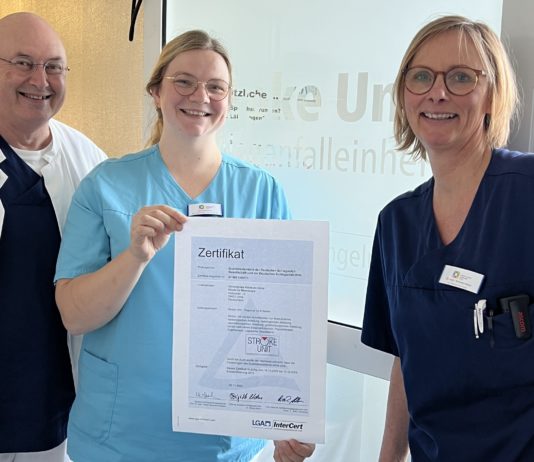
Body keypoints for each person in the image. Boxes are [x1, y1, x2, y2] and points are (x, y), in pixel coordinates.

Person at [54, 30, 315, 462]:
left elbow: (280, 321)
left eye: (216, 86)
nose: (201, 96)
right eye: (184, 82)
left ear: (229, 100)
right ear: (156, 92)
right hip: (121, 436)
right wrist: (135, 257)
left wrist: (284, 422)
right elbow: (74, 316)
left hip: (223, 440)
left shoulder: (262, 191)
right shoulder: (106, 185)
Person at [361, 15, 533, 462]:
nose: (437, 93)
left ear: (492, 95)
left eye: (460, 77)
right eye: (421, 77)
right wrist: (388, 458)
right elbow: (406, 360)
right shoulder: (396, 224)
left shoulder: (526, 192)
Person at [0, 11, 107, 462]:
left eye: (54, 66)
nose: (40, 80)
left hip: (53, 407)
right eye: (23, 63)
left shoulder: (92, 163)